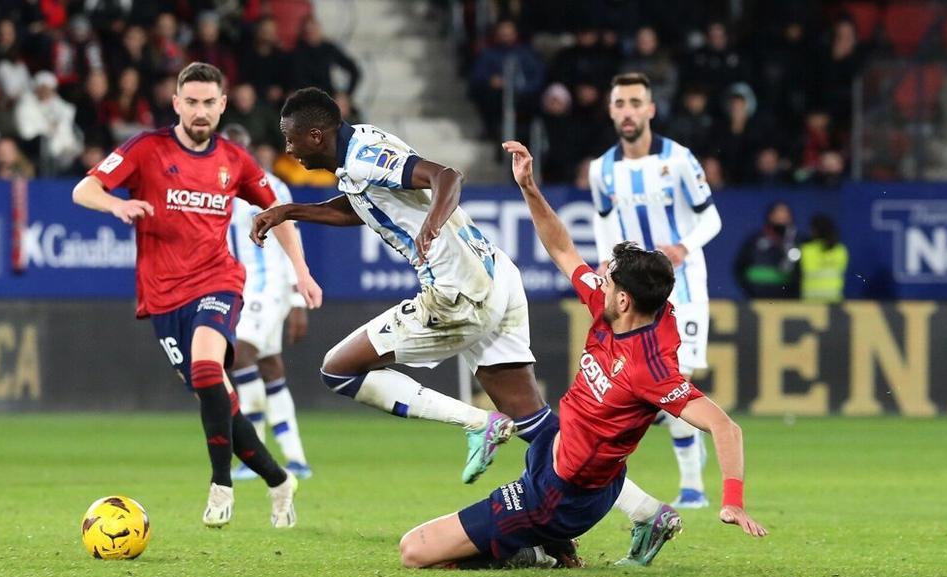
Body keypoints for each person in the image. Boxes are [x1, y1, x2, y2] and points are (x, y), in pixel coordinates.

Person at [254, 88, 669, 548]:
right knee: (536, 425)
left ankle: (477, 423)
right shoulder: (360, 152)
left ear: (316, 135)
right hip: (496, 275)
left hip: (459, 293)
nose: (287, 149)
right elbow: (364, 207)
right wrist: (288, 211)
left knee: (338, 368)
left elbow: (446, 176)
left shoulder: (366, 155)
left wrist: (432, 223)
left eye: (291, 140)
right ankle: (648, 513)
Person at [398, 141, 768, 570]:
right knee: (537, 430)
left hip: (560, 497)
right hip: (558, 455)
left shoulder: (651, 369)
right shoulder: (619, 307)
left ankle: (534, 550)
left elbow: (725, 426)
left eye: (607, 281)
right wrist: (529, 187)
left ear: (625, 300)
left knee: (415, 551)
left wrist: (733, 501)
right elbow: (561, 248)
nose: (597, 282)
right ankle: (586, 532)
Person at [71, 62, 320, 528]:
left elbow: (278, 212)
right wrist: (117, 202)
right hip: (163, 298)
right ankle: (279, 480)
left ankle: (221, 485)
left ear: (222, 105)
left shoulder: (234, 160)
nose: (201, 111)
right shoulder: (146, 149)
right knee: (216, 397)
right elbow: (84, 189)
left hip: (218, 281)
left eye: (209, 102)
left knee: (208, 369)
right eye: (192, 102)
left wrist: (301, 273)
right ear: (177, 104)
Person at [589, 73, 725, 510]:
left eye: (635, 102)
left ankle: (693, 487)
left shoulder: (680, 160)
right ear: (611, 111)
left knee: (673, 383)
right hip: (635, 296)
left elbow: (712, 218)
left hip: (682, 288)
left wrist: (684, 246)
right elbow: (604, 224)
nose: (628, 110)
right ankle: (687, 454)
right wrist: (606, 266)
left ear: (650, 109)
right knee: (645, 390)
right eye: (620, 103)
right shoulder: (602, 170)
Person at [226, 159, 314, 480]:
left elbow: (292, 235)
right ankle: (296, 459)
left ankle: (254, 454)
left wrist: (295, 298)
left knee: (240, 355)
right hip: (244, 289)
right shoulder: (217, 186)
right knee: (270, 367)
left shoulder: (271, 185)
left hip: (268, 287)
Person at [734, 201, 801, 299]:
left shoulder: (797, 241)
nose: (781, 218)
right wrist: (750, 291)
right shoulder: (755, 240)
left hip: (788, 300)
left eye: (785, 214)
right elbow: (739, 268)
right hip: (757, 298)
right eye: (778, 214)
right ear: (770, 216)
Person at [799, 213, 848, 302]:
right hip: (833, 301)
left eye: (811, 229)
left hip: (811, 302)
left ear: (815, 230)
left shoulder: (806, 250)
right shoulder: (840, 250)